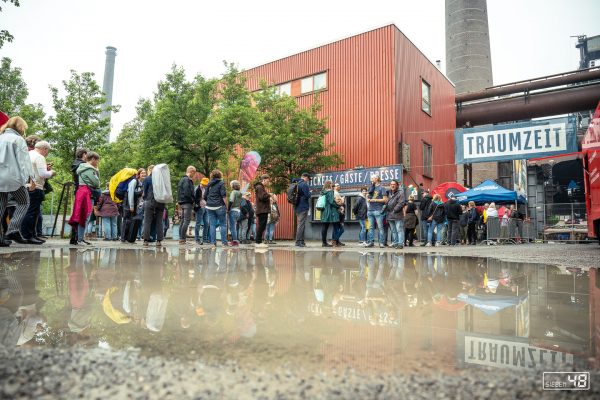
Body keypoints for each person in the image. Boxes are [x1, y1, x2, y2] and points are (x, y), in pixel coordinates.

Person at [0, 116, 35, 246]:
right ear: (21, 127)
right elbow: (24, 162)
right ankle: (13, 230)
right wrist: (30, 178)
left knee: (1, 206)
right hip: (13, 178)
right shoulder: (18, 139)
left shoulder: (0, 137)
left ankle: (0, 238)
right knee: (24, 201)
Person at [20, 140, 55, 244]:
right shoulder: (40, 157)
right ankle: (28, 236)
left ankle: (31, 234)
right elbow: (43, 174)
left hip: (25, 185)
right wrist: (52, 172)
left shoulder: (28, 154)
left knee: (28, 211)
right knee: (32, 212)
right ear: (44, 149)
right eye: (47, 150)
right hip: (36, 187)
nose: (47, 153)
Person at [68, 152, 100, 245]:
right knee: (85, 216)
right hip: (87, 193)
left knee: (81, 215)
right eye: (97, 160)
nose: (97, 162)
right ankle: (80, 239)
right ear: (93, 159)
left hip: (82, 192)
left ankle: (80, 238)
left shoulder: (82, 168)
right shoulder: (89, 169)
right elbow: (96, 183)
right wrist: (96, 172)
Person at [141, 165, 165, 247]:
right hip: (161, 202)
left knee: (147, 221)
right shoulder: (162, 179)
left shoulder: (147, 179)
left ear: (149, 171)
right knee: (159, 221)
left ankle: (146, 240)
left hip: (150, 201)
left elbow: (144, 192)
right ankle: (159, 241)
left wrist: (145, 198)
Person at [204, 169, 228, 247]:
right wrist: (227, 206)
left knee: (212, 225)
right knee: (223, 225)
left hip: (209, 206)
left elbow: (205, 196)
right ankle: (224, 242)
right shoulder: (221, 183)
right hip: (219, 206)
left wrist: (209, 201)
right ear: (219, 175)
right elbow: (223, 196)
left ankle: (213, 243)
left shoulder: (208, 184)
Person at [121, 168, 145, 243]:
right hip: (128, 203)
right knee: (127, 220)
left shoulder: (141, 183)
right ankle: (123, 238)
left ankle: (129, 238)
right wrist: (131, 206)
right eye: (142, 173)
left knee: (131, 221)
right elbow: (130, 194)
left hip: (134, 204)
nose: (144, 174)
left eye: (145, 173)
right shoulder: (134, 181)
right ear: (138, 174)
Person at [366, 175, 388, 248]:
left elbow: (385, 200)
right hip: (370, 210)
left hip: (378, 210)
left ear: (377, 179)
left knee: (380, 227)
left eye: (372, 178)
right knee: (371, 227)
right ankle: (371, 242)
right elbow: (368, 196)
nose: (371, 179)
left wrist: (373, 200)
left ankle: (381, 243)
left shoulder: (382, 188)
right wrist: (367, 197)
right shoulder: (371, 187)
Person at [177, 166, 196, 245]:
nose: (194, 175)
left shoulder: (182, 179)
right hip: (187, 202)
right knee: (186, 221)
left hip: (182, 202)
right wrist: (192, 199)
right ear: (191, 171)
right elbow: (187, 192)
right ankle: (182, 239)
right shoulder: (187, 180)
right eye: (194, 173)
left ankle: (182, 238)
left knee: (183, 220)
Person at [385, 180, 406, 249]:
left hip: (397, 214)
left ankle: (400, 244)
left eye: (394, 184)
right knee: (393, 230)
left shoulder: (400, 193)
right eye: (391, 184)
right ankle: (395, 242)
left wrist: (394, 210)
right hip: (389, 214)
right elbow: (386, 202)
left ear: (397, 185)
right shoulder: (388, 193)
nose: (392, 185)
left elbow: (401, 203)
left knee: (399, 229)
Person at [253, 174, 272, 248]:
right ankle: (258, 242)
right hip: (262, 209)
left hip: (262, 209)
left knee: (262, 226)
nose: (268, 182)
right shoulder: (260, 187)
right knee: (261, 226)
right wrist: (269, 194)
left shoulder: (260, 187)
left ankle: (259, 241)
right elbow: (262, 197)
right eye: (267, 180)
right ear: (263, 179)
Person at [319, 180, 340, 247]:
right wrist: (338, 206)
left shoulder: (322, 192)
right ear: (329, 184)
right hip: (328, 211)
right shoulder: (330, 191)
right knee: (326, 227)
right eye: (331, 183)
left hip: (323, 210)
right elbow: (331, 202)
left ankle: (323, 242)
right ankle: (324, 243)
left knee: (324, 227)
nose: (332, 184)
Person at [294, 173, 311, 247]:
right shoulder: (304, 184)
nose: (308, 180)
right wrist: (310, 193)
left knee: (301, 224)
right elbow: (307, 195)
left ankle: (301, 241)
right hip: (303, 206)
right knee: (301, 224)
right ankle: (298, 241)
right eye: (308, 179)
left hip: (297, 206)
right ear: (305, 177)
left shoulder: (297, 183)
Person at [194, 177, 209, 244]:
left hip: (206, 207)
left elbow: (206, 197)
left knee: (206, 223)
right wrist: (198, 205)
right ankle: (197, 239)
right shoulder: (197, 189)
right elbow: (195, 199)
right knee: (198, 223)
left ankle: (204, 239)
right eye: (203, 184)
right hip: (200, 208)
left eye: (205, 184)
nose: (204, 185)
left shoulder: (205, 189)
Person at [228, 180, 243, 246]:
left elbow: (231, 201)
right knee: (235, 226)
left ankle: (234, 241)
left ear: (233, 186)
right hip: (238, 211)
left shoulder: (233, 192)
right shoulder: (240, 193)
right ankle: (235, 240)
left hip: (233, 211)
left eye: (231, 185)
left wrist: (228, 209)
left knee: (232, 227)